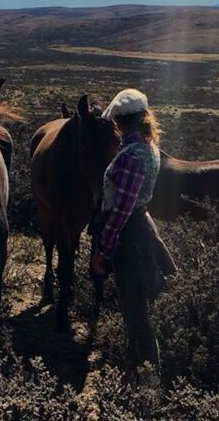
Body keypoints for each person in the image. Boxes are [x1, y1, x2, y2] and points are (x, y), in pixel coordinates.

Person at [90, 87, 176, 382]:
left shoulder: (129, 156)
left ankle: (148, 376)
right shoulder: (149, 146)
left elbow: (120, 214)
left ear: (118, 123)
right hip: (143, 226)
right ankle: (139, 366)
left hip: (130, 237)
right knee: (140, 304)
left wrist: (103, 251)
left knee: (135, 309)